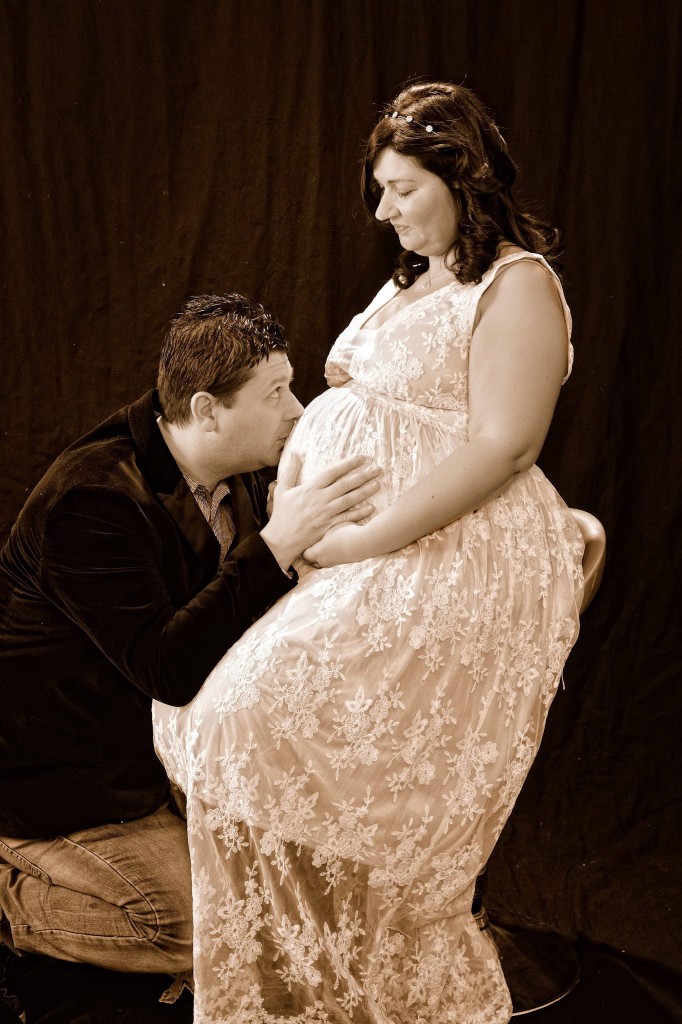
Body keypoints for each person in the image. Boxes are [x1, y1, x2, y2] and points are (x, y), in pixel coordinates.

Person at [152, 82, 585, 1024]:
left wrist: (357, 540)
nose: (384, 211)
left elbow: (504, 446)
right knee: (199, 702)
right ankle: (319, 955)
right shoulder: (414, 277)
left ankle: (360, 953)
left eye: (402, 189)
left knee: (243, 715)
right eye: (379, 190)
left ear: (464, 180)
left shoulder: (517, 285)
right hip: (355, 545)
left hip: (451, 550)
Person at [0, 293, 380, 982]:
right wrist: (279, 543)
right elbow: (166, 668)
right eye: (275, 394)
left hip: (158, 753)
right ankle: (8, 899)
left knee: (289, 885)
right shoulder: (91, 502)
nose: (297, 410)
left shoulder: (238, 468)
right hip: (58, 778)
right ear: (207, 410)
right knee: (195, 933)